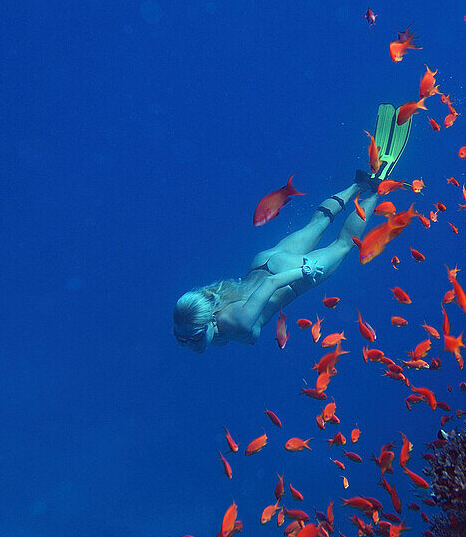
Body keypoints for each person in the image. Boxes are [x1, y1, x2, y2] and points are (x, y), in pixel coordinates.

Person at [173, 103, 410, 351]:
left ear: (207, 325)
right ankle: (357, 184)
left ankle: (375, 188)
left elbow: (271, 285)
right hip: (264, 262)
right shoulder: (210, 303)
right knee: (316, 223)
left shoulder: (239, 323)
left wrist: (304, 273)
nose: (189, 344)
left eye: (193, 339)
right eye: (182, 339)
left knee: (344, 245)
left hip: (289, 276)